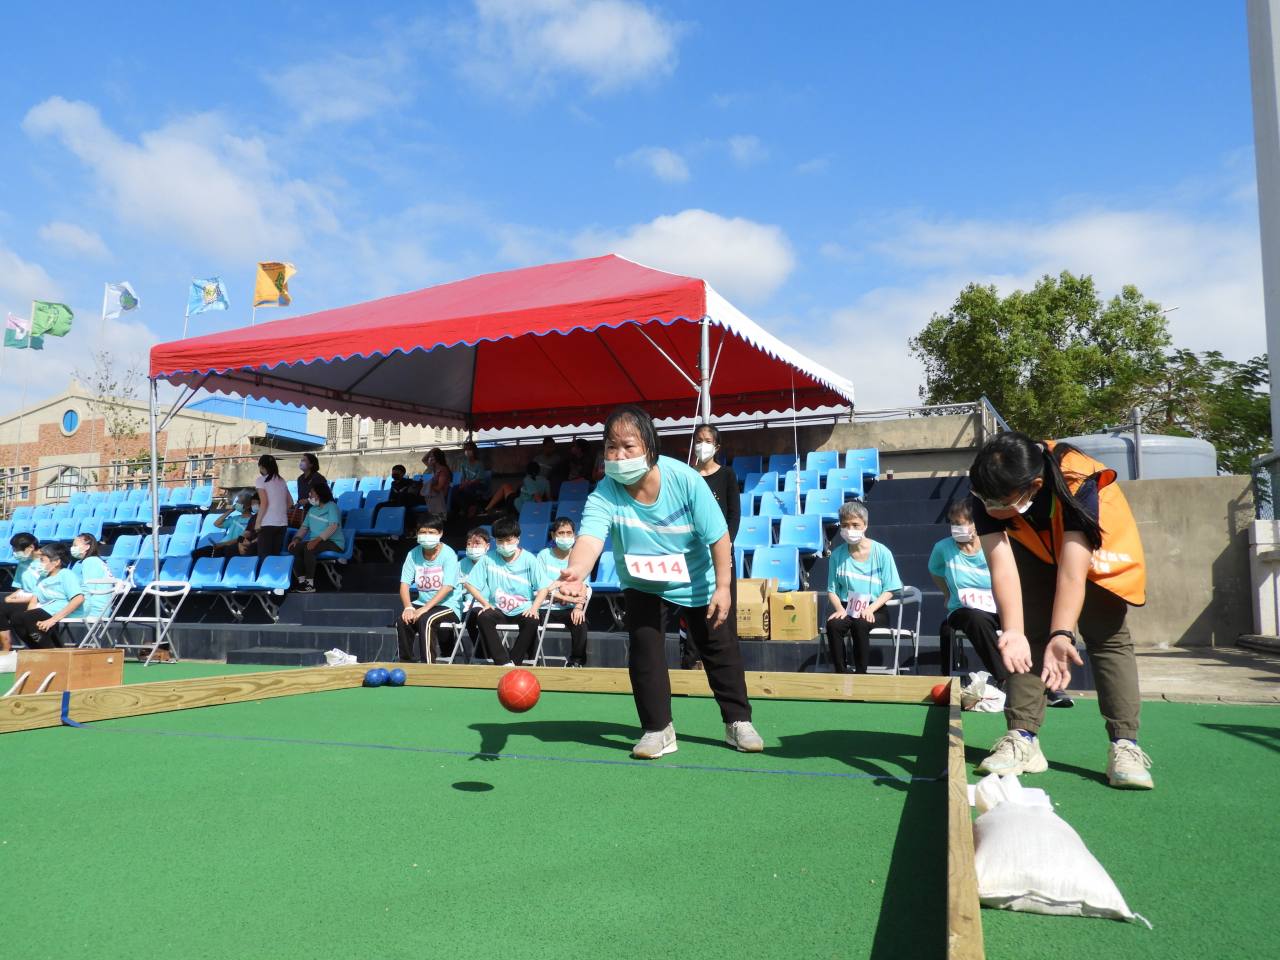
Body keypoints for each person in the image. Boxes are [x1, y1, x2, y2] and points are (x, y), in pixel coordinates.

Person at [555, 405, 763, 758]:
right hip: (643, 582)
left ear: (650, 447)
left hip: (697, 577)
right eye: (611, 447)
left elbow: (719, 536)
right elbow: (589, 538)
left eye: (628, 446)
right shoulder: (605, 492)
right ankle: (658, 729)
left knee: (720, 649)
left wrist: (724, 588)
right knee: (645, 651)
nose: (619, 456)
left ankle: (738, 722)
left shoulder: (685, 480)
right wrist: (577, 570)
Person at [969, 431, 1152, 790]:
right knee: (1027, 633)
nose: (988, 508)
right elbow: (1001, 566)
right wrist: (1014, 630)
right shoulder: (986, 486)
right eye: (983, 500)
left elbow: (1072, 572)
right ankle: (1022, 737)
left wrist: (1062, 634)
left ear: (1034, 486)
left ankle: (1125, 744)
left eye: (997, 502)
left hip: (1095, 542)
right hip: (1032, 543)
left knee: (1106, 634)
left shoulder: (1079, 481)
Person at [681, 423, 741, 669]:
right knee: (693, 608)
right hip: (694, 554)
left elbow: (733, 515)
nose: (702, 445)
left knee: (724, 609)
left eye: (707, 441)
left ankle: (728, 663)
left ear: (717, 447)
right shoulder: (688, 475)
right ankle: (691, 661)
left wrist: (724, 545)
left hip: (721, 554)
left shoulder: (727, 475)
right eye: (698, 440)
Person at [929, 498, 1007, 683]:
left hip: (996, 608)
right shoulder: (942, 548)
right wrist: (948, 594)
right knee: (975, 618)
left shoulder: (992, 544)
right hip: (962, 610)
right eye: (953, 523)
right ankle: (1005, 678)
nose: (955, 528)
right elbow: (935, 570)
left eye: (960, 523)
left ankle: (1041, 681)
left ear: (975, 524)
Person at [463, 516, 552, 666]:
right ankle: (502, 662)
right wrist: (485, 603)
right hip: (498, 609)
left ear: (517, 539)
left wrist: (534, 608)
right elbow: (469, 584)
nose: (504, 545)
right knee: (483, 617)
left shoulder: (529, 559)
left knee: (532, 620)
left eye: (508, 540)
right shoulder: (488, 559)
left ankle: (515, 662)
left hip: (523, 609)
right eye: (500, 541)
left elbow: (543, 588)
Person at [825, 501, 903, 674]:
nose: (850, 529)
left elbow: (890, 589)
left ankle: (861, 674)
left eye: (855, 525)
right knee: (833, 625)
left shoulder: (882, 552)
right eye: (845, 525)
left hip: (875, 609)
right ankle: (841, 673)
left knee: (860, 623)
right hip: (847, 607)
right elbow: (832, 590)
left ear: (865, 525)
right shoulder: (836, 555)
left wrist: (870, 609)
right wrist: (839, 609)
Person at [397, 515, 464, 662]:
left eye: (431, 532)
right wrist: (408, 607)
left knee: (426, 619)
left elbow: (448, 587)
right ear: (417, 534)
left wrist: (425, 608)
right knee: (403, 620)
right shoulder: (412, 554)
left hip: (448, 605)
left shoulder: (448, 554)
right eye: (423, 532)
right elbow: (404, 584)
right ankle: (406, 662)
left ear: (440, 533)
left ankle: (427, 665)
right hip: (422, 603)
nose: (427, 536)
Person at [537, 517, 590, 667]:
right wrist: (563, 597)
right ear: (553, 535)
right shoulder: (543, 555)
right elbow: (542, 587)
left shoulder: (581, 558)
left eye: (569, 533)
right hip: (545, 607)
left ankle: (576, 661)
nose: (565, 537)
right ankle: (531, 660)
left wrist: (578, 607)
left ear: (574, 535)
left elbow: (584, 587)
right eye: (561, 533)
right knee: (530, 620)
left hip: (569, 609)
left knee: (580, 622)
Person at [12, 543, 83, 649]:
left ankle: (51, 651)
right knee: (17, 618)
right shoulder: (42, 578)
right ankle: (37, 650)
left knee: (29, 618)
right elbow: (34, 601)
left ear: (56, 562)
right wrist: (27, 616)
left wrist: (53, 620)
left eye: (42, 560)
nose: (39, 564)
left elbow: (78, 599)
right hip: (48, 609)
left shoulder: (66, 574)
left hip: (66, 610)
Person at [287, 479, 343, 593]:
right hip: (317, 542)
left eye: (311, 493)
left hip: (333, 542)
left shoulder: (332, 506)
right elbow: (304, 528)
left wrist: (316, 540)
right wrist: (296, 539)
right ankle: (302, 582)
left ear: (319, 494)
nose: (309, 495)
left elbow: (333, 526)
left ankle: (310, 584)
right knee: (294, 548)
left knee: (309, 548)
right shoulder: (312, 510)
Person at [0, 533, 40, 652]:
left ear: (31, 547)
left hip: (38, 600)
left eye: (17, 549)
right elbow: (20, 588)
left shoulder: (45, 563)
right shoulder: (23, 563)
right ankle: (6, 645)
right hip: (23, 598)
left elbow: (43, 591)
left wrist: (16, 600)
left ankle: (36, 647)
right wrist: (9, 598)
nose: (14, 552)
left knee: (16, 616)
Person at [194, 491, 256, 559]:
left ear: (248, 506)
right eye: (236, 502)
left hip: (233, 547)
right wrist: (231, 510)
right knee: (196, 553)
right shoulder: (235, 518)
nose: (236, 504)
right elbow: (217, 524)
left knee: (213, 554)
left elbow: (242, 539)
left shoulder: (252, 520)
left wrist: (222, 544)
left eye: (239, 502)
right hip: (221, 546)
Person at [254, 454, 293, 560]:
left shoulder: (260, 480)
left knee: (264, 558)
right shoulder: (282, 480)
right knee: (275, 558)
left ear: (261, 466)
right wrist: (279, 512)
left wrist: (258, 522)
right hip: (282, 524)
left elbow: (264, 502)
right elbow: (290, 502)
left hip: (267, 524)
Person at [69, 533, 114, 625]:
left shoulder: (90, 561)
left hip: (94, 610)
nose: (72, 548)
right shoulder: (92, 561)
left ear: (87, 547)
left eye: (75, 545)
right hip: (98, 609)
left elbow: (89, 589)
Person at [484, 460, 550, 515]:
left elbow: (538, 498)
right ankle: (488, 508)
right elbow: (549, 498)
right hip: (522, 501)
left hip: (518, 506)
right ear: (539, 471)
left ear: (527, 471)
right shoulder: (546, 481)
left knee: (505, 486)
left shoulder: (528, 479)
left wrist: (538, 512)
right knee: (509, 487)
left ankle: (487, 509)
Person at [453, 441, 491, 517]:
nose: (467, 451)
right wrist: (462, 484)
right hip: (467, 484)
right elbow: (463, 477)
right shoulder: (463, 463)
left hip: (479, 485)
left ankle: (473, 508)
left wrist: (468, 483)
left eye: (469, 449)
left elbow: (478, 479)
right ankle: (465, 508)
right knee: (455, 489)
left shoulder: (479, 464)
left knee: (469, 488)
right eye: (466, 449)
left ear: (474, 451)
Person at [420, 448, 452, 515]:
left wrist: (429, 485)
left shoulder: (443, 470)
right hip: (433, 494)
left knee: (412, 498)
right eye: (430, 457)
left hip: (439, 496)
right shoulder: (434, 468)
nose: (430, 458)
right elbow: (424, 460)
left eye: (432, 457)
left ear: (437, 458)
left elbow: (439, 488)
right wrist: (432, 450)